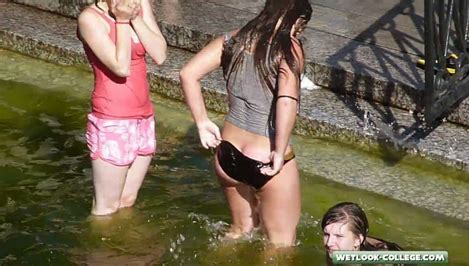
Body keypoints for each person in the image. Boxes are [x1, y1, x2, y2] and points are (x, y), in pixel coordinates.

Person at [180, 0, 312, 247]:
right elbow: (286, 101)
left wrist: (202, 122)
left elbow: (188, 74)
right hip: (264, 155)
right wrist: (280, 152)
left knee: (240, 231)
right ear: (298, 21)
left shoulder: (233, 39)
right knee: (280, 246)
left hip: (227, 154)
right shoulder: (289, 46)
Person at [77, 0, 167, 215]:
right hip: (112, 119)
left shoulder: (139, 4)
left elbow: (160, 55)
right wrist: (122, 21)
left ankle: (121, 248)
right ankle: (95, 248)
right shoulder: (90, 18)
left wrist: (135, 17)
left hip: (143, 116)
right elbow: (121, 66)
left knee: (127, 199)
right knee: (106, 207)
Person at [322, 202, 403, 264]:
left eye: (339, 236)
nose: (329, 243)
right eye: (327, 234)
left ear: (357, 240)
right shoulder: (335, 248)